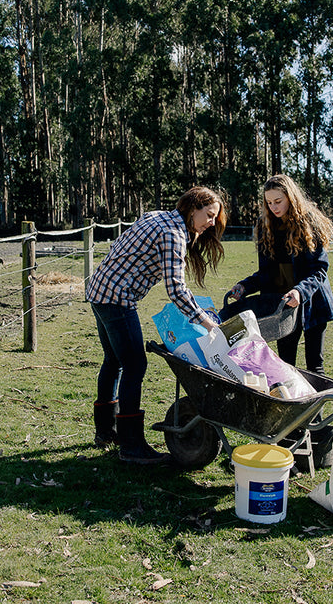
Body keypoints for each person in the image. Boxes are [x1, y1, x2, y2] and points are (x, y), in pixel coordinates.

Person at [86, 186, 227, 465]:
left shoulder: (159, 216)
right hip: (117, 298)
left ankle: (106, 433)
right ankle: (131, 446)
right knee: (135, 365)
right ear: (193, 208)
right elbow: (175, 290)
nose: (211, 222)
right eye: (208, 215)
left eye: (214, 218)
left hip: (98, 291)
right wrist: (207, 322)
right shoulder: (173, 234)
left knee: (114, 361)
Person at [224, 174, 333, 375]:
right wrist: (245, 286)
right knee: (285, 365)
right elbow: (266, 273)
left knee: (315, 366)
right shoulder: (265, 227)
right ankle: (291, 404)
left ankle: (316, 406)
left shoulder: (308, 223)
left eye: (278, 201)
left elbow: (319, 269)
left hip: (312, 302)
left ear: (291, 198)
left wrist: (300, 292)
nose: (274, 207)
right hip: (283, 305)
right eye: (269, 203)